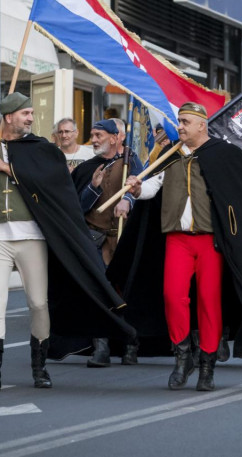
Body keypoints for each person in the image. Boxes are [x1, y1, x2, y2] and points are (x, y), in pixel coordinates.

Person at [0, 93, 134, 392]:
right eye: (25, 113)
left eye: (30, 112)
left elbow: (50, 184)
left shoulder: (41, 149)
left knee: (39, 303)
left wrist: (6, 168)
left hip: (32, 237)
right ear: (9, 116)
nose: (30, 117)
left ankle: (39, 368)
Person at [127, 103, 242, 391]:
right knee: (172, 296)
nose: (181, 126)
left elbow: (239, 196)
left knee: (208, 301)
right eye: (179, 121)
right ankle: (182, 355)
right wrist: (138, 190)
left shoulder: (222, 154)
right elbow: (154, 186)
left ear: (202, 125)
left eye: (186, 122)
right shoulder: (170, 155)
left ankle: (207, 366)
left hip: (210, 239)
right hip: (177, 237)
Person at [71, 119, 144, 368]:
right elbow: (78, 206)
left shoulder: (132, 162)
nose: (94, 139)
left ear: (115, 138)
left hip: (122, 239)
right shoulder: (89, 168)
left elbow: (141, 189)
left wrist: (128, 200)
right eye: (92, 135)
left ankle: (130, 345)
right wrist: (93, 186)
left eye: (99, 135)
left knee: (126, 292)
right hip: (95, 237)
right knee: (98, 292)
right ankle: (100, 348)